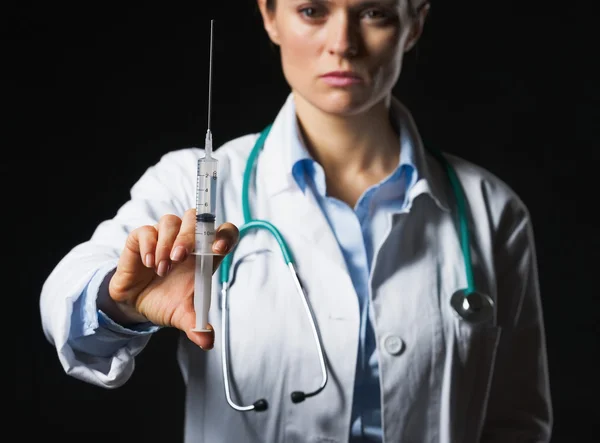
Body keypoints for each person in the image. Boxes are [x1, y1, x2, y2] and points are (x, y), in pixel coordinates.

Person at [39, 0, 553, 441]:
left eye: (374, 12)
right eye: (312, 10)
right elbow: (68, 298)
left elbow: (516, 424)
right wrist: (119, 302)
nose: (343, 43)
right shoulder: (192, 184)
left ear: (414, 22)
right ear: (270, 16)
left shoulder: (491, 212)